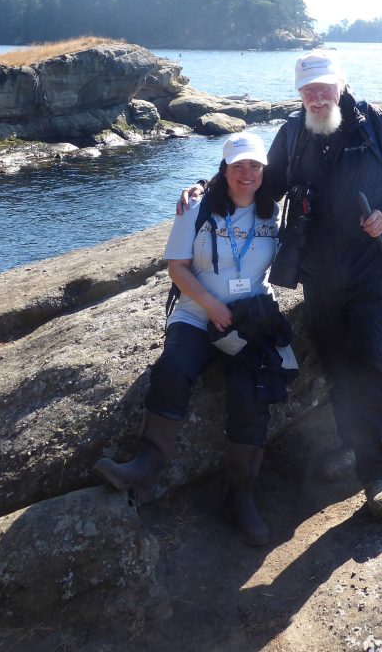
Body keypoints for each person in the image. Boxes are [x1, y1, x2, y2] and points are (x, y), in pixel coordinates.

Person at [179, 50, 382, 519]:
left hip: (371, 269)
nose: (316, 97)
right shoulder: (293, 135)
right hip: (320, 277)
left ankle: (377, 474)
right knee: (337, 364)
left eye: (323, 87)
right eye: (307, 90)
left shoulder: (374, 126)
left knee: (367, 359)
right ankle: (354, 447)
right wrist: (200, 190)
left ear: (341, 84)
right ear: (299, 94)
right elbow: (256, 186)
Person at [94, 131, 284, 546]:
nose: (246, 174)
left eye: (254, 166)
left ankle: (241, 496)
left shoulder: (274, 213)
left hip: (248, 320)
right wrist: (212, 306)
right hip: (198, 314)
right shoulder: (196, 207)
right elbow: (176, 267)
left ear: (265, 171)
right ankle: (147, 463)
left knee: (251, 389)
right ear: (224, 169)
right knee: (173, 367)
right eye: (238, 166)